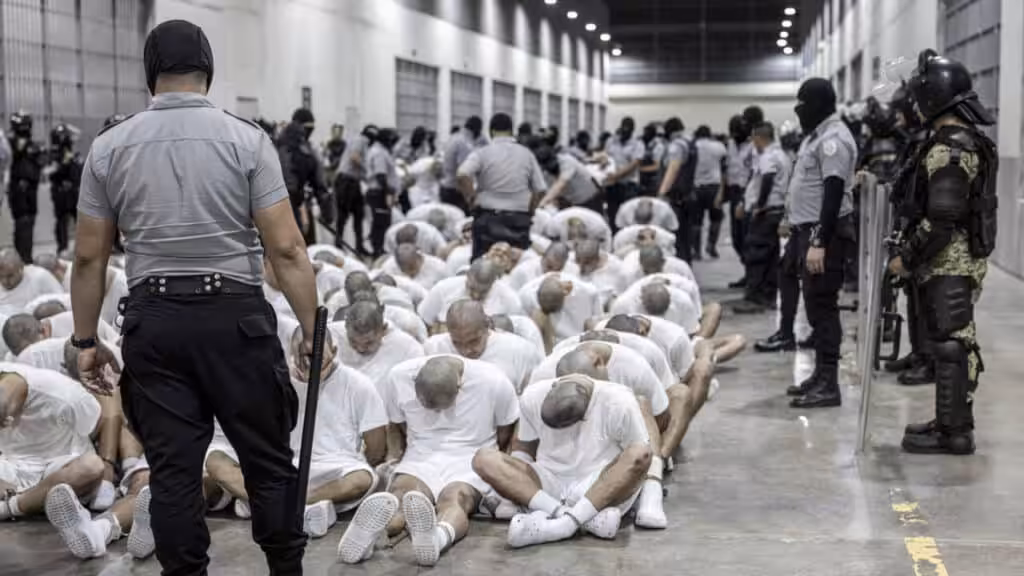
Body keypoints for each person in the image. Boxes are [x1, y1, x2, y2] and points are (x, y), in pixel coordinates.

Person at [69, 20, 333, 574]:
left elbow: (90, 257)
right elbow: (286, 249)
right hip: (235, 321)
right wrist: (313, 332)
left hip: (154, 324)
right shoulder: (247, 139)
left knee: (173, 473)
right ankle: (286, 567)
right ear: (208, 70)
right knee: (268, 461)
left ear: (151, 73)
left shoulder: (110, 146)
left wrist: (86, 339)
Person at [891, 51, 998, 455]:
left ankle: (954, 433)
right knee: (948, 341)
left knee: (953, 343)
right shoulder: (959, 141)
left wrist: (908, 256)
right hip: (950, 257)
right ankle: (950, 423)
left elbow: (942, 218)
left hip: (950, 259)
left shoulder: (951, 149)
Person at [337, 355, 519, 566]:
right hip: (421, 454)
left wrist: (495, 470)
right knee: (400, 496)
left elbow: (506, 431)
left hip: (471, 458)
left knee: (454, 498)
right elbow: (398, 426)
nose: (436, 413)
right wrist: (395, 457)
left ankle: (436, 538)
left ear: (460, 385)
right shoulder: (398, 377)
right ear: (415, 382)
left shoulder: (493, 380)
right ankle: (367, 538)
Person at [207, 327, 386, 538]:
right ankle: (302, 508)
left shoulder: (358, 384)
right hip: (280, 468)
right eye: (301, 358)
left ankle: (274, 505)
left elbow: (376, 449)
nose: (308, 365)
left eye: (314, 357)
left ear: (334, 351)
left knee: (362, 478)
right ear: (290, 353)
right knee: (216, 461)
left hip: (331, 469)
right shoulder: (276, 380)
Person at [472, 375, 651, 547]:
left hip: (597, 484)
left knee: (640, 452)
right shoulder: (532, 395)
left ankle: (565, 524)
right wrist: (516, 491)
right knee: (483, 459)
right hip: (548, 480)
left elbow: (639, 456)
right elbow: (524, 447)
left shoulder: (620, 401)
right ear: (551, 389)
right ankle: (575, 517)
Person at [0, 364, 154, 560]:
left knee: (98, 469)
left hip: (57, 467)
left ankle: (12, 506)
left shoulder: (62, 394)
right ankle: (98, 531)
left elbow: (108, 419)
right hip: (13, 466)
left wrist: (108, 468)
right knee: (147, 487)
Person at [783, 77, 858, 409]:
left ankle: (830, 383)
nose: (798, 111)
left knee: (824, 308)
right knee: (814, 307)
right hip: (809, 232)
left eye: (803, 104)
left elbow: (833, 192)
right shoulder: (818, 136)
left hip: (823, 235)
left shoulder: (833, 140)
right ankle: (820, 375)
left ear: (817, 104)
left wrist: (819, 240)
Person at [883, 82, 934, 386]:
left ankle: (929, 360)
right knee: (912, 295)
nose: (902, 117)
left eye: (904, 111)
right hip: (910, 225)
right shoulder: (914, 141)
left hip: (927, 232)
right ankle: (918, 352)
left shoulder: (930, 142)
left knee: (927, 299)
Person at [457, 113, 547, 260]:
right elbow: (541, 189)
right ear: (512, 131)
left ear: (491, 131)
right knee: (515, 264)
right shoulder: (526, 154)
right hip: (518, 221)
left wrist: (471, 199)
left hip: (488, 220)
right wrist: (531, 209)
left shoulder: (482, 153)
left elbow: (462, 174)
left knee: (484, 265)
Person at [423, 300, 542, 393]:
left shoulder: (520, 351)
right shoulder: (434, 348)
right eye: (457, 343)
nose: (466, 351)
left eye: (473, 341)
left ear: (487, 326)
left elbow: (531, 397)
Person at [735, 122, 792, 312]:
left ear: (760, 138)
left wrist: (759, 205)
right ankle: (768, 294)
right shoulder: (782, 155)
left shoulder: (768, 156)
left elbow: (767, 179)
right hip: (776, 210)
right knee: (771, 256)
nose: (753, 143)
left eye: (754, 139)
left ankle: (755, 296)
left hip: (766, 212)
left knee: (757, 254)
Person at [278, 107, 333, 246]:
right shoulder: (305, 149)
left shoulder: (275, 143)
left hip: (268, 207)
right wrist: (327, 212)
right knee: (296, 248)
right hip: (291, 203)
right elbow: (319, 183)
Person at [418, 259, 522, 330]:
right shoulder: (443, 289)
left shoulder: (510, 300)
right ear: (467, 275)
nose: (476, 295)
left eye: (483, 292)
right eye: (472, 288)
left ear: (494, 282)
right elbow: (424, 321)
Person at [518, 273, 603, 351]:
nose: (552, 313)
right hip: (551, 343)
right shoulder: (527, 294)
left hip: (581, 341)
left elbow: (598, 320)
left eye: (554, 309)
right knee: (538, 316)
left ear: (567, 291)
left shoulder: (588, 292)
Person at [657, 117, 697, 261]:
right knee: (684, 238)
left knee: (675, 238)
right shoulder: (689, 143)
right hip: (686, 196)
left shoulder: (676, 146)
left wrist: (662, 193)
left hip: (676, 198)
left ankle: (679, 270)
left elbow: (673, 168)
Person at [333, 124, 377, 256]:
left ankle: (359, 246)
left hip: (354, 181)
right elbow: (354, 157)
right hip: (346, 181)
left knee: (359, 214)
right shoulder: (361, 140)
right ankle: (338, 244)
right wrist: (368, 170)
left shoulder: (362, 141)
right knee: (343, 215)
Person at [6, 112, 44, 263]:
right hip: (18, 189)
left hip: (31, 190)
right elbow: (13, 156)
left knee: (29, 221)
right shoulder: (10, 144)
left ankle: (25, 256)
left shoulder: (32, 145)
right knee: (22, 221)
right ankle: (22, 258)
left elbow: (40, 164)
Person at [688, 126, 727, 260]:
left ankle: (696, 251)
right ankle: (711, 245)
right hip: (714, 188)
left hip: (696, 187)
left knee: (696, 222)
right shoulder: (719, 146)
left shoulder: (692, 146)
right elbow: (724, 168)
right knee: (716, 219)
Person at [602, 117, 645, 232]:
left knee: (628, 216)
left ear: (632, 130)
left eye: (628, 130)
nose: (624, 133)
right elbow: (606, 156)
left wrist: (617, 175)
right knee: (613, 215)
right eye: (623, 129)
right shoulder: (611, 141)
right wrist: (603, 163)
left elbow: (634, 164)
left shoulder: (638, 144)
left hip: (629, 185)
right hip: (612, 184)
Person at [725, 114, 753, 285]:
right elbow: (726, 170)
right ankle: (747, 270)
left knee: (747, 235)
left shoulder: (752, 146)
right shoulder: (729, 145)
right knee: (736, 237)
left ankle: (752, 275)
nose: (736, 133)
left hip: (746, 192)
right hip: (733, 192)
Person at [535, 144, 603, 213]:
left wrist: (541, 204)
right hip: (573, 202)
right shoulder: (546, 173)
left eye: (549, 161)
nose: (549, 165)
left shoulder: (567, 161)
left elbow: (560, 184)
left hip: (590, 198)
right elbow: (552, 194)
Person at [48, 123, 84, 255]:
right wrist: (62, 164)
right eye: (64, 136)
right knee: (62, 221)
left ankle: (82, 247)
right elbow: (50, 171)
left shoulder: (70, 150)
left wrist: (67, 126)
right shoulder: (54, 152)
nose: (66, 138)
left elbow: (78, 133)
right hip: (60, 191)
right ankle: (62, 248)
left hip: (73, 191)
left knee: (79, 220)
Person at [366, 128, 400, 258]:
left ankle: (378, 248)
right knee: (381, 223)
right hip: (380, 193)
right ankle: (378, 250)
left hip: (380, 192)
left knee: (380, 222)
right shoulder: (379, 153)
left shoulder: (379, 150)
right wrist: (388, 192)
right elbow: (380, 175)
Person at [441, 116, 487, 212]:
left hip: (446, 187)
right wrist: (471, 198)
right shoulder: (465, 143)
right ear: (477, 130)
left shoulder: (454, 137)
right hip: (455, 192)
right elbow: (463, 173)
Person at [0, 249, 64, 316]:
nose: (5, 281)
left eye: (10, 276)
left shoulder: (40, 276)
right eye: (0, 276)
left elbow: (62, 303)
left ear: (21, 267)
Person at [571, 238, 627, 306]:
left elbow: (600, 302)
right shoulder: (571, 258)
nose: (581, 267)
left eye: (586, 263)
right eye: (577, 261)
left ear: (597, 260)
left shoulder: (616, 269)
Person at [378, 244, 447, 289]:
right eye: (404, 269)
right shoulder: (388, 267)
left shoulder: (439, 267)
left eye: (412, 268)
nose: (410, 273)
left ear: (419, 258)